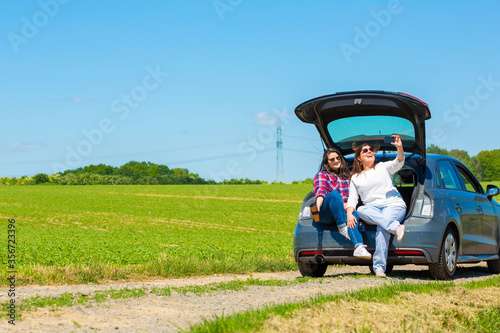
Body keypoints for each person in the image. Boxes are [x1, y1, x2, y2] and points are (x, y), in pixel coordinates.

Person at [346, 135, 407, 278]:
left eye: (371, 149)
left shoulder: (382, 167)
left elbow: (399, 162)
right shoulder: (355, 178)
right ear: (359, 158)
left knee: (382, 228)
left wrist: (399, 147)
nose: (369, 151)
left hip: (393, 205)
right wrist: (349, 213)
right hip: (372, 210)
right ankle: (395, 227)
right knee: (361, 209)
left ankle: (379, 268)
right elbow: (352, 200)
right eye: (365, 150)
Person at [313, 148, 371, 260]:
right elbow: (321, 190)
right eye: (332, 159)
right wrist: (318, 203)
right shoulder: (322, 175)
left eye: (338, 158)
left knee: (352, 215)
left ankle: (359, 246)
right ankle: (342, 226)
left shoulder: (348, 177)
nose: (336, 160)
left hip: (343, 211)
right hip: (327, 214)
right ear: (327, 163)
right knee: (334, 195)